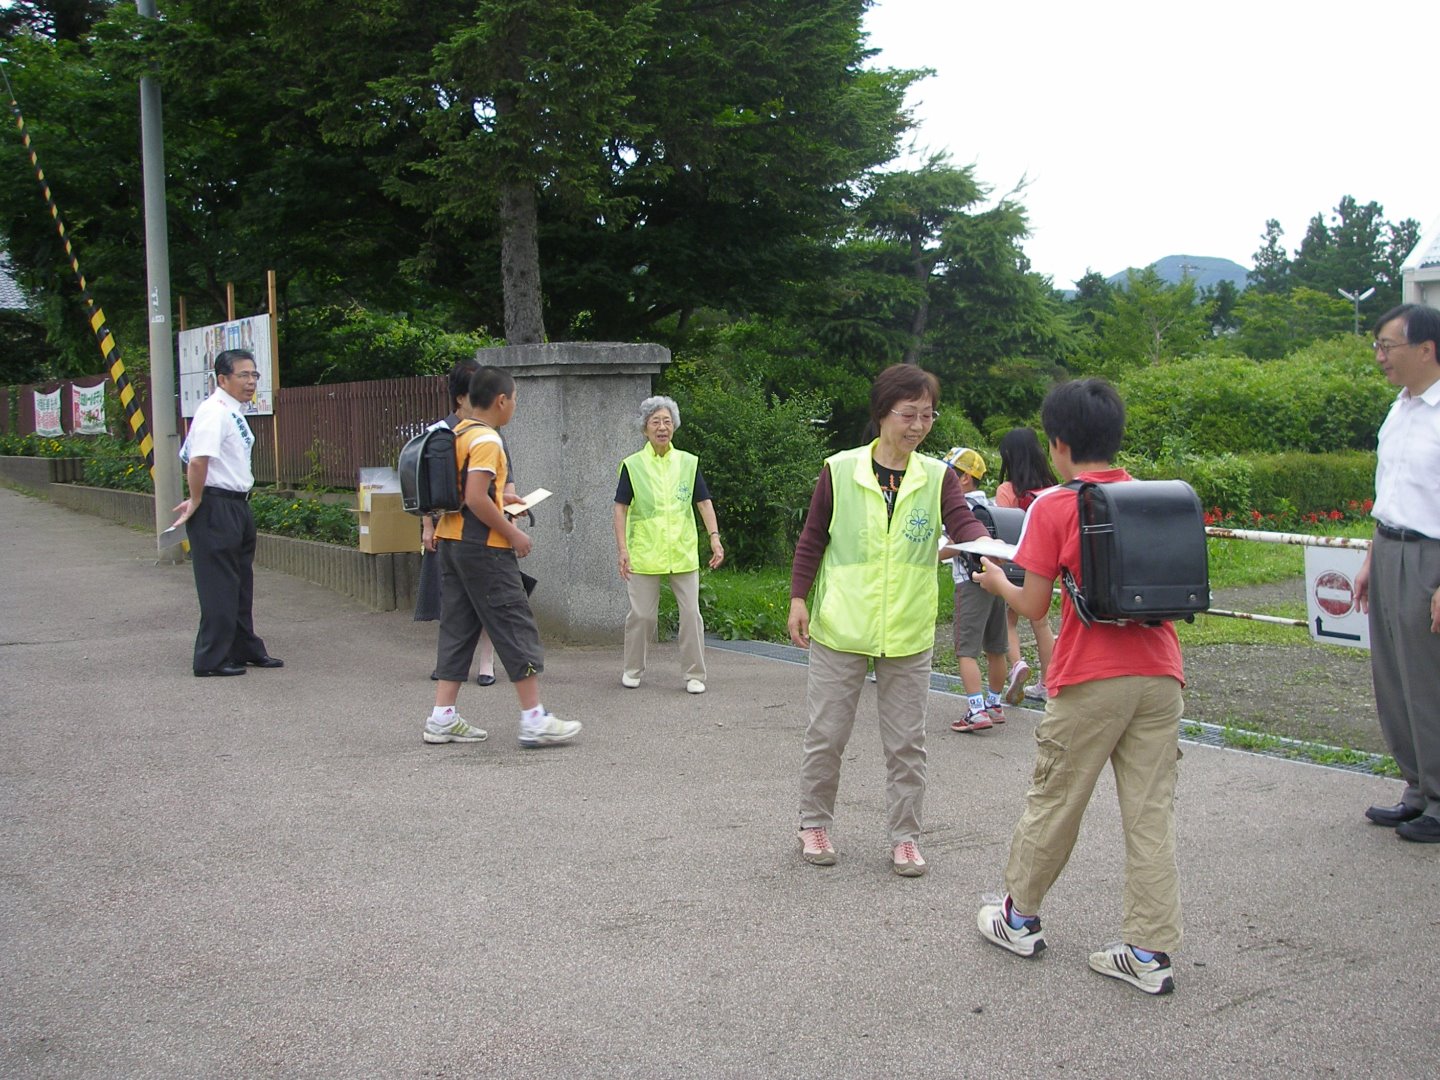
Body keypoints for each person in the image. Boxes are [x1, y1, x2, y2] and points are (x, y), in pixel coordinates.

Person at [972, 378, 1185, 996]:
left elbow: (1034, 602)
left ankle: (1019, 919)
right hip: (1161, 674)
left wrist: (995, 584)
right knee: (1150, 815)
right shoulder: (1153, 497)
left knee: (1056, 798)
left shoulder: (1056, 505)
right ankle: (1149, 952)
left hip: (1093, 677)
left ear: (1058, 444)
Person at [789, 365, 989, 877]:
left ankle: (905, 837)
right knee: (826, 734)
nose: (918, 425)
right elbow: (813, 539)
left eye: (927, 415)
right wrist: (798, 598)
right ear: (882, 414)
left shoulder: (937, 476)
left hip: (907, 629)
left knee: (906, 744)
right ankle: (814, 823)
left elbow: (961, 521)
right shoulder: (839, 469)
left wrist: (983, 544)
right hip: (842, 626)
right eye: (908, 414)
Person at [423, 366, 580, 749]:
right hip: (485, 549)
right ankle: (534, 719)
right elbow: (476, 497)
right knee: (513, 621)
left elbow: (463, 492)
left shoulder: (454, 432)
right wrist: (513, 533)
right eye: (515, 401)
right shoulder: (488, 440)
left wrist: (501, 498)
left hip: (452, 543)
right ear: (501, 400)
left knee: (458, 626)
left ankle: (442, 717)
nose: (514, 408)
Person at [1355, 303, 1440, 844]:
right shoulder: (1400, 410)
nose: (1381, 356)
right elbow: (1392, 495)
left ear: (1427, 349)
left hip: (1431, 556)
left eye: (1389, 346)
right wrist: (1369, 558)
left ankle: (1439, 795)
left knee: (1428, 680)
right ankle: (1417, 788)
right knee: (1393, 678)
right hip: (1389, 549)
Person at [172, 349, 283, 677]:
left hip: (237, 504)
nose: (251, 382)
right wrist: (195, 500)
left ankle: (243, 646)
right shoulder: (214, 412)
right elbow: (197, 460)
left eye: (254, 375)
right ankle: (211, 659)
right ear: (222, 379)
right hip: (216, 505)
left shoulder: (232, 410)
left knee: (239, 581)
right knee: (219, 584)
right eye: (243, 375)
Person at [613, 395, 724, 694]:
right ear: (645, 429)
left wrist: (714, 537)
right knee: (642, 615)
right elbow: (620, 508)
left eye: (667, 421)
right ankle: (632, 669)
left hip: (682, 549)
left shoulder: (688, 462)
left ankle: (694, 674)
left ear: (674, 426)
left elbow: (703, 502)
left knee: (691, 614)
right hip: (645, 552)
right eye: (655, 422)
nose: (662, 427)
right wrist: (622, 549)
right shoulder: (632, 465)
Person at [415, 357, 516, 687]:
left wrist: (509, 505)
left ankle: (482, 665)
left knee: (477, 605)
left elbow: (503, 486)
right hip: (466, 536)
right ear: (460, 396)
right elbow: (432, 491)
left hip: (477, 535)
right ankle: (533, 713)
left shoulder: (487, 435)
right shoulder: (446, 435)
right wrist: (428, 527)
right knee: (463, 607)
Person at [937, 447, 1008, 733]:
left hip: (970, 582)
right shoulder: (990, 506)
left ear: (964, 478)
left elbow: (952, 545)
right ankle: (994, 703)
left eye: (950, 473)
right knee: (996, 647)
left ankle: (976, 711)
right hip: (996, 580)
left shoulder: (962, 509)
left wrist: (927, 555)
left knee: (966, 650)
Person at [993, 426, 1058, 704]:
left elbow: (1003, 529)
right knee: (1041, 624)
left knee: (1008, 620)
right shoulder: (1053, 487)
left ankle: (1018, 665)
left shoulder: (1007, 490)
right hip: (1045, 564)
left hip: (1015, 562)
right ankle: (1049, 683)